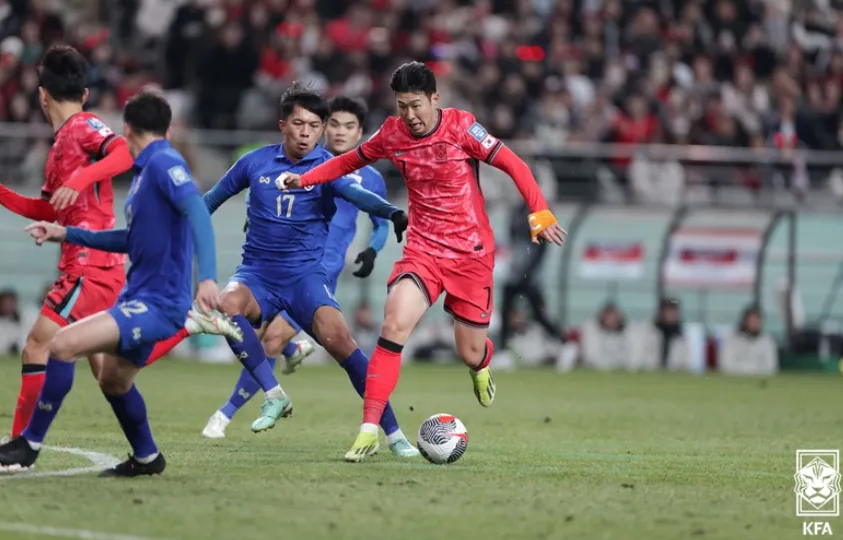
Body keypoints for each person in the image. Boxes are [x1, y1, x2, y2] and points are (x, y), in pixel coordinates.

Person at [279, 62, 567, 462]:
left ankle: (480, 365)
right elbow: (348, 162)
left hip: (470, 255)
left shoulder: (463, 128)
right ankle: (368, 430)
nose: (410, 115)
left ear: (435, 99)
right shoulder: (391, 133)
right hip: (423, 251)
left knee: (470, 351)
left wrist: (540, 211)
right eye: (402, 106)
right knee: (393, 324)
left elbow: (514, 164)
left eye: (416, 105)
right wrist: (306, 178)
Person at [144, 84, 418, 455]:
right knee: (226, 307)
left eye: (314, 126)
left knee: (344, 347)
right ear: (282, 125)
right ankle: (274, 394)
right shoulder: (253, 162)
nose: (306, 133)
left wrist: (392, 212)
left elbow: (359, 195)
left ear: (321, 130)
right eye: (299, 124)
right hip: (257, 274)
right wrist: (175, 228)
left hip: (306, 278)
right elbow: (210, 201)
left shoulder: (329, 168)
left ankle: (394, 434)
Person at [0, 90, 235, 476]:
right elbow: (130, 239)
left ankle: (29, 444)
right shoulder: (145, 176)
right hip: (140, 296)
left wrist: (208, 277)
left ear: (126, 130)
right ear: (169, 129)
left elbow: (197, 210)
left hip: (158, 302)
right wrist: (66, 233)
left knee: (61, 346)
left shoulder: (163, 163)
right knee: (113, 380)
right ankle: (147, 458)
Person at [0, 45, 133, 441]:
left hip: (88, 265)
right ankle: (146, 452)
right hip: (99, 265)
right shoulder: (59, 146)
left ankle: (19, 446)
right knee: (109, 376)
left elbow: (124, 153)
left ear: (42, 95)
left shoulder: (82, 125)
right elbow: (47, 209)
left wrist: (80, 179)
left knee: (37, 345)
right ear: (84, 92)